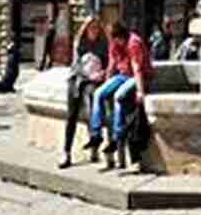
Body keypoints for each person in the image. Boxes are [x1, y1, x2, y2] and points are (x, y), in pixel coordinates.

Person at [85, 21, 153, 169]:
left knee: (119, 96)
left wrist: (140, 91)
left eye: (116, 39)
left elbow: (137, 68)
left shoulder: (134, 42)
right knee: (98, 94)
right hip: (123, 75)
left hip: (138, 77)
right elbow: (112, 64)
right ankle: (96, 135)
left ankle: (116, 137)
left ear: (122, 36)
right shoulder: (114, 43)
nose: (114, 43)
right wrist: (107, 84)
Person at [60, 15, 110, 169]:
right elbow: (76, 65)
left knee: (92, 109)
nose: (93, 31)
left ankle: (94, 146)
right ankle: (66, 151)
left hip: (92, 81)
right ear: (86, 28)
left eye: (96, 28)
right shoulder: (80, 43)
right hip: (77, 80)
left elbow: (109, 62)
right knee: (71, 116)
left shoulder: (103, 44)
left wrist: (102, 74)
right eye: (91, 27)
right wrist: (88, 75)